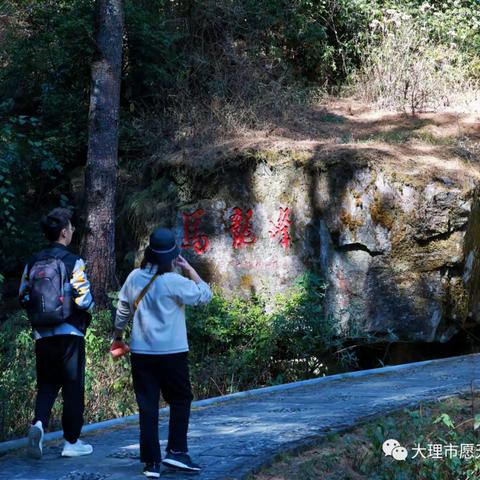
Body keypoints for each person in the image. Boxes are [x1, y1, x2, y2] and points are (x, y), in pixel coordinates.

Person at [112, 227, 211, 478]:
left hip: (142, 353)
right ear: (172, 257)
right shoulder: (175, 281)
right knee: (180, 399)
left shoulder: (134, 277)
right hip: (173, 353)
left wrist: (118, 337)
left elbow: (123, 309)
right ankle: (177, 452)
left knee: (148, 406)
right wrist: (190, 270)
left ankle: (151, 463)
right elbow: (204, 295)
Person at [18, 207, 94, 459]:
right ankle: (71, 442)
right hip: (70, 332)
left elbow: (23, 295)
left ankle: (38, 424)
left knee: (47, 384)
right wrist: (90, 306)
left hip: (42, 334)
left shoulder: (32, 261)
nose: (72, 230)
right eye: (71, 227)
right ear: (63, 232)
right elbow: (83, 300)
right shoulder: (73, 261)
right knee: (73, 386)